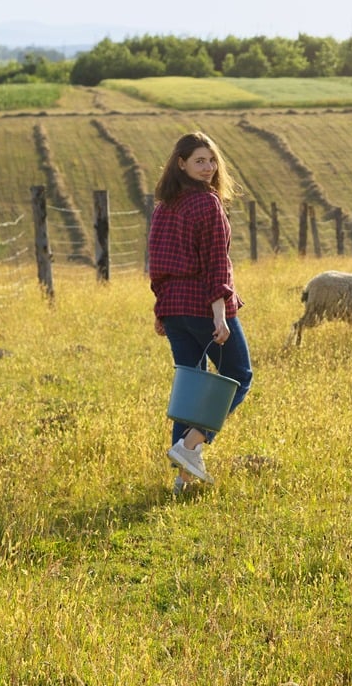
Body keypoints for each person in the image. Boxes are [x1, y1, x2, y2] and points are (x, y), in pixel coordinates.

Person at [147, 131, 253, 489]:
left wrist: (162, 309)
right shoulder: (206, 203)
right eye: (199, 161)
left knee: (190, 390)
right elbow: (215, 265)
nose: (208, 168)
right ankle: (191, 445)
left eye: (211, 160)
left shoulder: (165, 206)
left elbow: (157, 264)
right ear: (181, 163)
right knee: (239, 375)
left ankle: (183, 479)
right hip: (203, 307)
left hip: (175, 308)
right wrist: (220, 315)